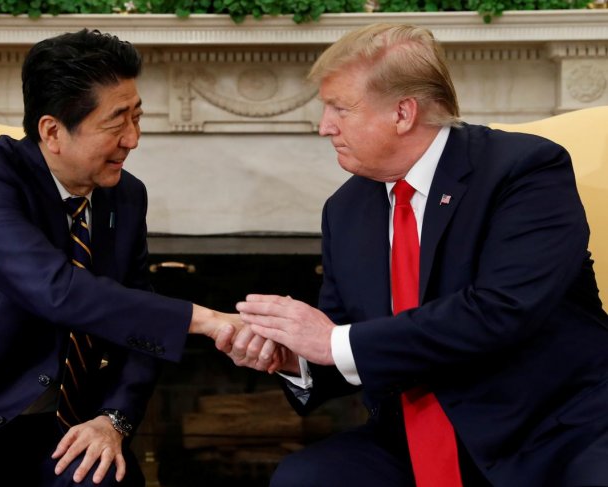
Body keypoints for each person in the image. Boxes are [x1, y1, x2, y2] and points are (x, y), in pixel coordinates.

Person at [230, 23, 608, 487]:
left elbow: (501, 311)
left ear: (403, 113)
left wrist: (330, 343)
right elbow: (346, 331)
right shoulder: (346, 209)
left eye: (339, 108)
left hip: (549, 429)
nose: (324, 126)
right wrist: (295, 358)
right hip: (411, 433)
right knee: (305, 477)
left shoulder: (524, 171)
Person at [0, 28, 245, 487]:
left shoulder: (126, 196)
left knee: (101, 478)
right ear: (52, 131)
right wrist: (205, 320)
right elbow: (53, 289)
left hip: (62, 429)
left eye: (137, 116)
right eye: (116, 122)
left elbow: (138, 327)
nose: (133, 138)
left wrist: (114, 419)